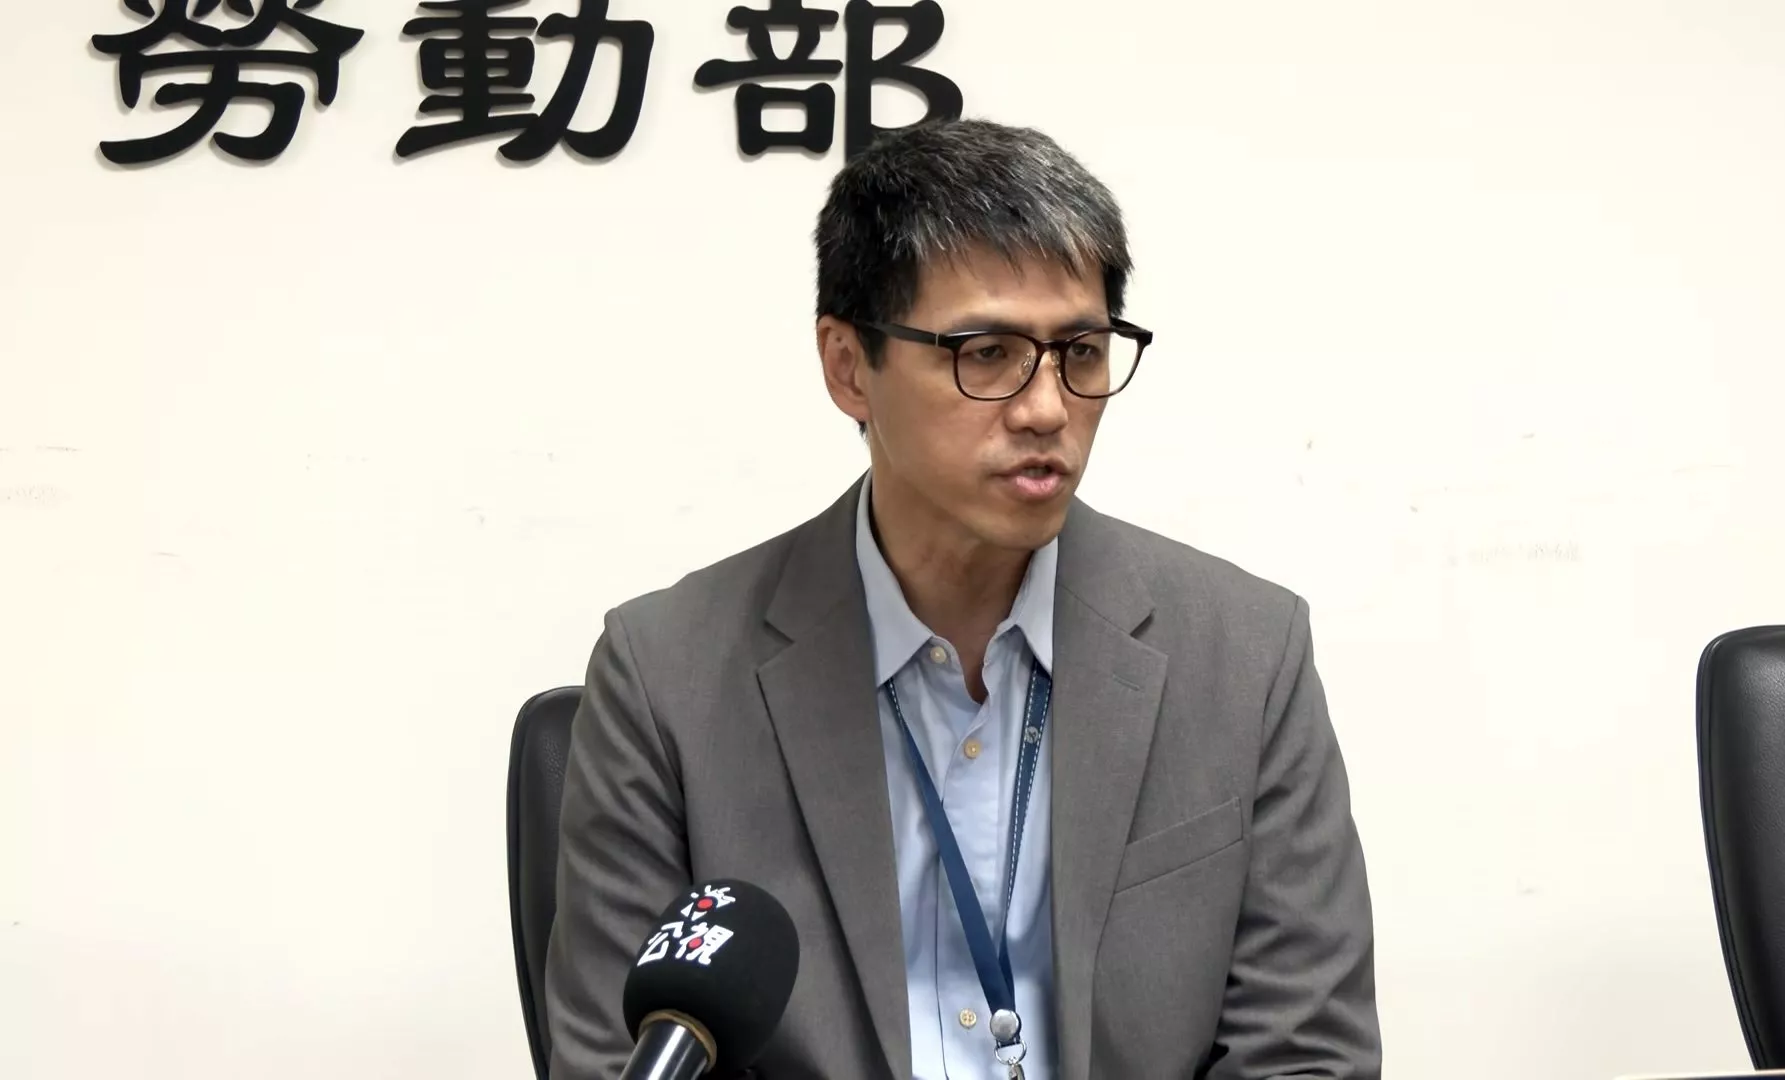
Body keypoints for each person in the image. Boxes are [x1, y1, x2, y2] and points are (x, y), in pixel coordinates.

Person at [544, 118, 1381, 1080]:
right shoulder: (667, 679)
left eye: (1081, 350)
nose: (1047, 407)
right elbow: (614, 1059)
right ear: (848, 366)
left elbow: (1305, 1054)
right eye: (985, 353)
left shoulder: (1244, 657)